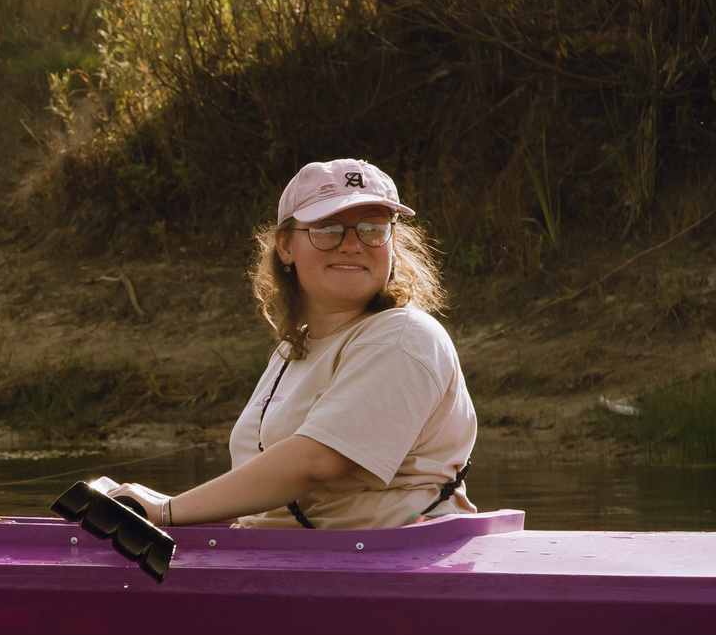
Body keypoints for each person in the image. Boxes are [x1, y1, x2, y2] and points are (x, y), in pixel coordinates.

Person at [113, 159, 475, 530]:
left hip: (391, 564)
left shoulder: (405, 337)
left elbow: (316, 463)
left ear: (392, 245)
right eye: (328, 228)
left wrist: (167, 510)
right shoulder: (292, 350)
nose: (352, 245)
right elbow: (270, 499)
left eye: (372, 228)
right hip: (295, 561)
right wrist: (157, 513)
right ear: (285, 245)